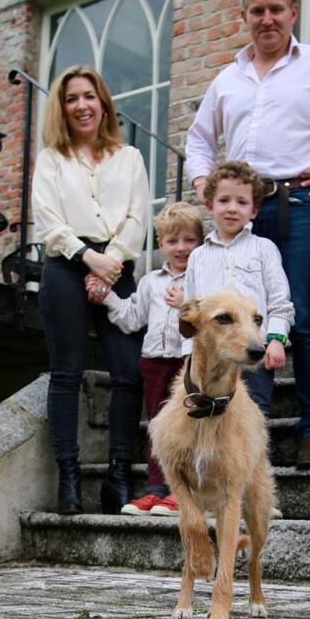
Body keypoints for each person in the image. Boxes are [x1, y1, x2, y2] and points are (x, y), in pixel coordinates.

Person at [185, 0, 310, 469]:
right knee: (238, 322)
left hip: (301, 205)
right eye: (256, 10)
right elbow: (198, 141)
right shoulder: (226, 79)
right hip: (243, 215)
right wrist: (203, 184)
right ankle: (244, 431)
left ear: (293, 13)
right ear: (244, 17)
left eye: (276, 9)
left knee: (299, 318)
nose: (266, 18)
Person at [32, 64, 150, 514]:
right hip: (66, 267)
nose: (82, 105)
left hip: (117, 266)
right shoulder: (51, 159)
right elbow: (49, 221)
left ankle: (118, 475)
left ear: (103, 103)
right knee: (67, 373)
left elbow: (139, 215)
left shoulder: (130, 157)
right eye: (71, 98)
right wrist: (88, 258)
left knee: (129, 370)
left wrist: (112, 261)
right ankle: (69, 477)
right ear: (62, 108)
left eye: (89, 96)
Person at [91, 202, 204, 517]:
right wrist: (108, 297)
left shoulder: (204, 279)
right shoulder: (151, 281)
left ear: (200, 241)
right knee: (158, 427)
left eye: (188, 240)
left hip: (189, 364)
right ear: (161, 245)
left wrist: (190, 304)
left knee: (190, 426)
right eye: (172, 241)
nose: (180, 248)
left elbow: (215, 319)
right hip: (154, 363)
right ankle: (158, 489)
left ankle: (187, 491)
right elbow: (131, 318)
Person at [184, 162, 294, 416]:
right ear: (209, 206)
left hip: (253, 352)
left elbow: (280, 302)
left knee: (251, 416)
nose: (232, 208)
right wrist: (186, 354)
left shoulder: (264, 249)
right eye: (224, 200)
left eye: (242, 202)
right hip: (211, 358)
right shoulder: (198, 256)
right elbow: (191, 310)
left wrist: (276, 339)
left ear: (254, 210)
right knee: (208, 418)